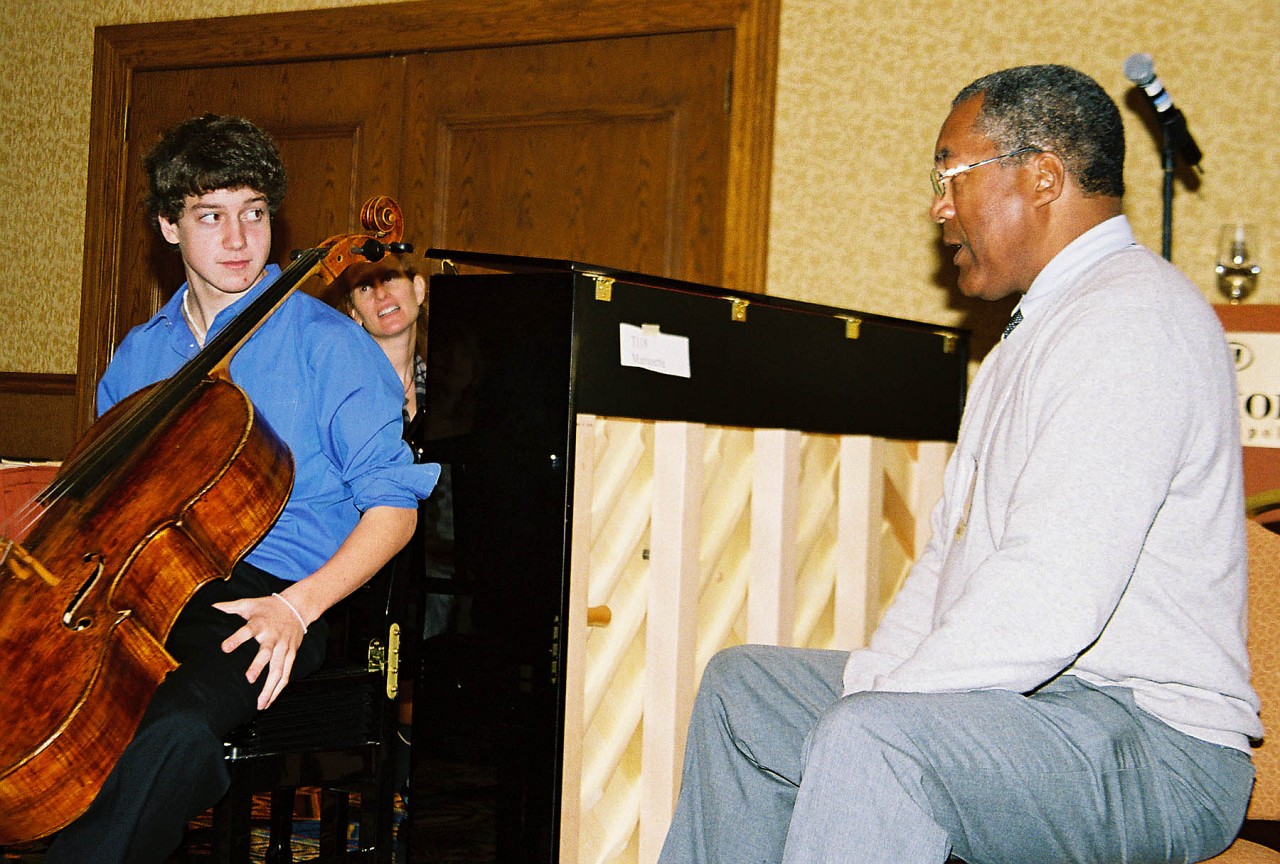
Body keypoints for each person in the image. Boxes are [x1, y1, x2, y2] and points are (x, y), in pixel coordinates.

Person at [658, 64, 1260, 864]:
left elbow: (1051, 599)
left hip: (1153, 746)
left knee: (881, 742)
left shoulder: (1131, 322)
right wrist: (878, 676)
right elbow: (951, 564)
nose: (939, 205)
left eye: (951, 173)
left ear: (1044, 176)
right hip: (1044, 707)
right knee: (747, 693)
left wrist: (877, 702)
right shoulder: (1034, 331)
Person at [44, 114, 438, 863]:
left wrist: (298, 607)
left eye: (253, 214)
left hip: (273, 596)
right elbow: (100, 507)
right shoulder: (141, 355)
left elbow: (394, 509)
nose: (237, 240)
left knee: (177, 725)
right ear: (169, 226)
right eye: (210, 216)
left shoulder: (328, 345)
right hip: (143, 593)